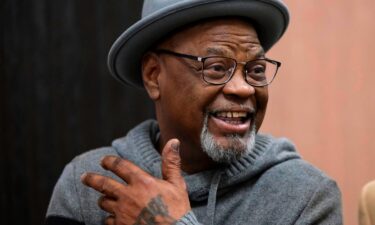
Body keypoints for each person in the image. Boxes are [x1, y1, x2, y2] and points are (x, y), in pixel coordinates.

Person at [45, 0, 343, 224]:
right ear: (153, 75)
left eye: (255, 70)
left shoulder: (307, 197)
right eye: (216, 67)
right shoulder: (88, 186)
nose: (244, 89)